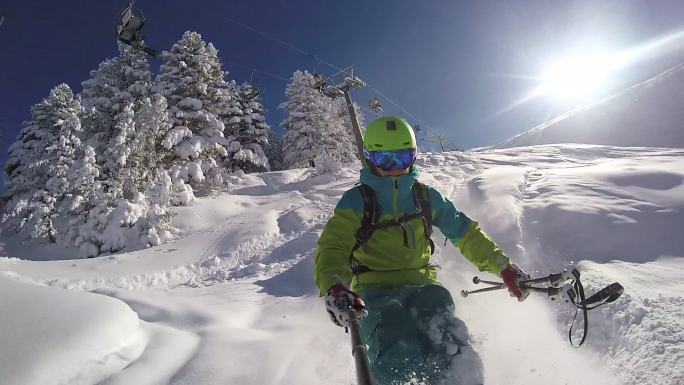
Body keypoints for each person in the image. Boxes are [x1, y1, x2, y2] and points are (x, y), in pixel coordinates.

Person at [314, 116, 530, 385]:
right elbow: (334, 245)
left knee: (443, 325)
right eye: (385, 160)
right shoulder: (357, 200)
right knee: (396, 337)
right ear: (370, 159)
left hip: (422, 284)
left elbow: (465, 232)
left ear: (413, 158)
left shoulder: (425, 197)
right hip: (374, 290)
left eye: (402, 158)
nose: (395, 169)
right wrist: (335, 285)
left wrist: (503, 266)